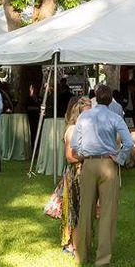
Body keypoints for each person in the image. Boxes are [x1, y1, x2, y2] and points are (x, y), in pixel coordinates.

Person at [72, 84, 135, 266]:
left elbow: (75, 145)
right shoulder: (115, 117)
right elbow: (129, 143)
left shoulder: (84, 116)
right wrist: (120, 158)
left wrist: (84, 154)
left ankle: (81, 256)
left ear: (95, 97)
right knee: (108, 213)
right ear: (110, 100)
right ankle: (103, 259)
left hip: (89, 163)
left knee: (85, 210)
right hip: (109, 164)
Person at [60, 97, 91, 255]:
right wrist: (88, 155)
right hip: (75, 174)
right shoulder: (72, 130)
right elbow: (70, 157)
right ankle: (72, 245)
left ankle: (81, 243)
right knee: (75, 209)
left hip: (86, 172)